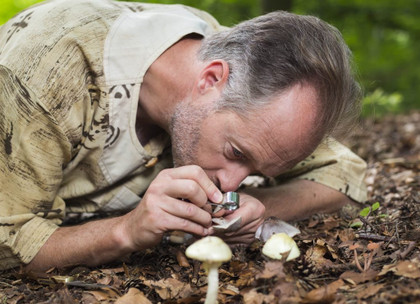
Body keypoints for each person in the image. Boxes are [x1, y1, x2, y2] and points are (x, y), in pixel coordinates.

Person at [0, 0, 367, 271]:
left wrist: (253, 208)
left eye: (254, 168)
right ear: (210, 79)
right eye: (236, 152)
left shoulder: (255, 76)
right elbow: (7, 240)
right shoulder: (45, 76)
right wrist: (125, 231)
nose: (232, 185)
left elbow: (342, 175)